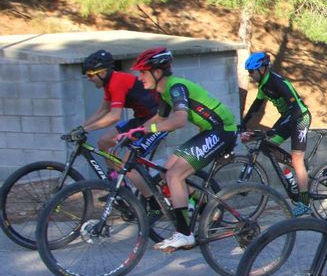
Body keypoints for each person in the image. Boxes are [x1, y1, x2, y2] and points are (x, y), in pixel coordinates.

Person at [118, 47, 238, 251]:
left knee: (175, 175)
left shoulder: (176, 87)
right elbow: (159, 118)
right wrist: (134, 132)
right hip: (210, 130)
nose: (140, 78)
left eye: (143, 72)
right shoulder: (165, 92)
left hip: (222, 130)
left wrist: (149, 129)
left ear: (157, 72)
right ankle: (207, 207)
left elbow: (180, 120)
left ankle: (185, 234)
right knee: (166, 173)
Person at [241, 52, 312, 216]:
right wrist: (243, 123)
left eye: (251, 71)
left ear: (262, 69)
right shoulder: (263, 86)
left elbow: (296, 109)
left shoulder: (277, 82)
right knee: (268, 146)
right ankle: (293, 170)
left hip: (300, 117)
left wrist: (276, 129)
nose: (250, 75)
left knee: (297, 159)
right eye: (249, 72)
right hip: (288, 118)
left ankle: (305, 203)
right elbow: (256, 106)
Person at [78, 49, 165, 159]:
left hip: (158, 120)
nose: (89, 79)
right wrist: (81, 127)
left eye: (90, 75)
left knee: (128, 162)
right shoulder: (108, 83)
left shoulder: (116, 82)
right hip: (142, 119)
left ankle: (129, 169)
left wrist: (86, 129)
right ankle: (115, 171)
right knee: (104, 142)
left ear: (102, 73)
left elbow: (114, 116)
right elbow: (104, 110)